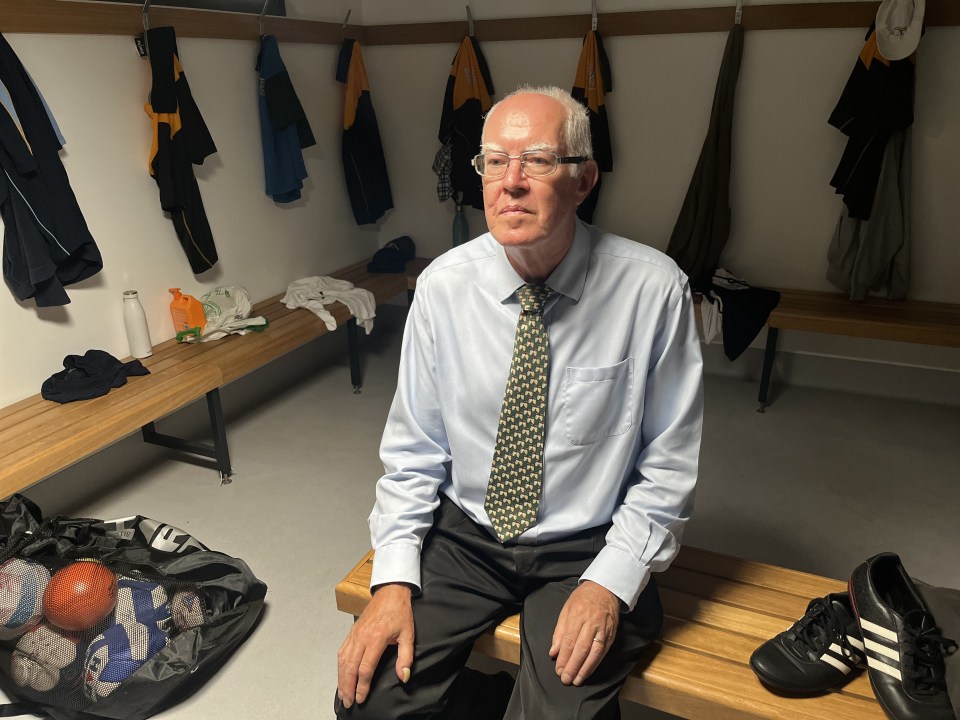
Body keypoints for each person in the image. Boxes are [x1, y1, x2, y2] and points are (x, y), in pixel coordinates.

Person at [336, 85, 704, 719]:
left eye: (536, 160)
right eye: (493, 162)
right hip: (466, 536)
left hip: (586, 540)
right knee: (367, 698)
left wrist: (608, 585)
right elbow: (413, 451)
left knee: (560, 709)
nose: (510, 182)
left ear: (584, 179)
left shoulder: (653, 290)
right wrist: (393, 580)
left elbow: (667, 468)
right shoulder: (443, 289)